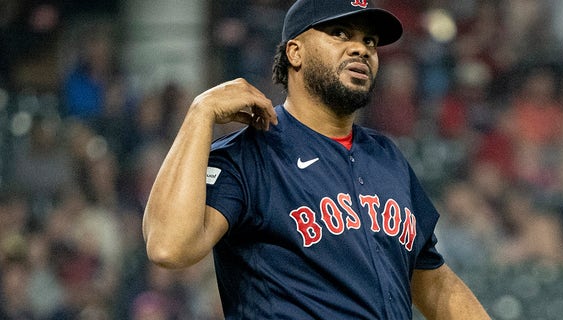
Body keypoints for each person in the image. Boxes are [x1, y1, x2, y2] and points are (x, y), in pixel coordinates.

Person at [142, 0, 490, 318]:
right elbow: (169, 247)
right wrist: (199, 113)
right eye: (340, 33)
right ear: (295, 51)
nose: (361, 49)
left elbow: (434, 282)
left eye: (370, 41)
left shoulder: (388, 159)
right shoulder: (251, 155)